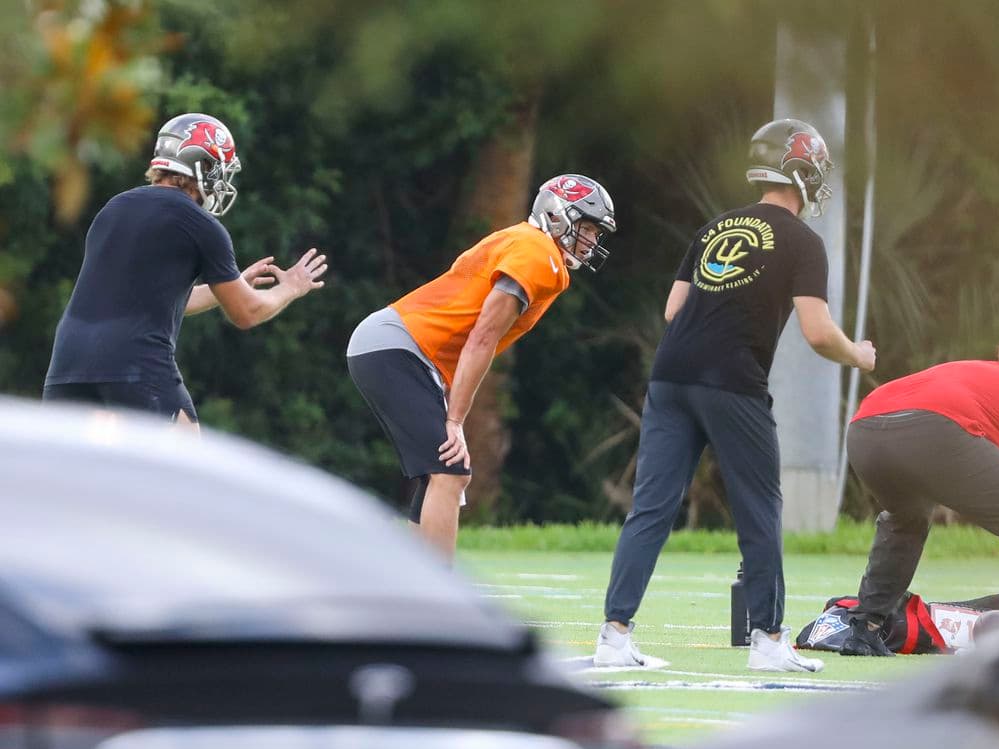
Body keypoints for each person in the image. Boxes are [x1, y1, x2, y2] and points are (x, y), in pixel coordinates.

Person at [593, 119, 876, 672]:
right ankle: (768, 641)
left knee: (651, 508)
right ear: (800, 171)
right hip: (732, 381)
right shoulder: (803, 241)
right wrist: (859, 356)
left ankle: (614, 635)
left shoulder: (714, 227)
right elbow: (819, 333)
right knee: (759, 508)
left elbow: (673, 310)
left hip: (671, 375)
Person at [347, 174, 617, 561]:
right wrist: (455, 420)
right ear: (557, 214)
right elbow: (483, 336)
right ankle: (435, 591)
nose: (591, 240)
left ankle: (414, 581)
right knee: (450, 471)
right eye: (587, 228)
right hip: (399, 347)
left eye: (595, 233)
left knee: (444, 473)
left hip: (400, 347)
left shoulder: (529, 244)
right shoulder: (538, 252)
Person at [43, 113, 328, 431]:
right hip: (134, 360)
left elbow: (155, 300)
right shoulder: (199, 224)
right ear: (201, 165)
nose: (221, 180)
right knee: (184, 452)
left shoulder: (113, 208)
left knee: (70, 463)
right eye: (218, 168)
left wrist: (230, 287)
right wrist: (290, 287)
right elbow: (246, 313)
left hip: (68, 360)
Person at [839, 337, 999, 657]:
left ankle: (865, 629)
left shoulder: (985, 375)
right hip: (934, 429)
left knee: (907, 517)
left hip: (864, 429)